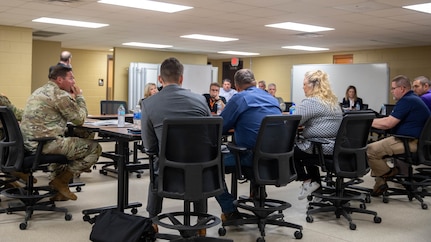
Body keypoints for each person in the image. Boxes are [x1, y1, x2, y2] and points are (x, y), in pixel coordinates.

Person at [140, 57, 211, 235]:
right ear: (181, 78)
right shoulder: (201, 101)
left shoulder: (148, 104)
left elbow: (149, 146)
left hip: (169, 174)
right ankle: (201, 222)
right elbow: (210, 136)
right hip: (200, 171)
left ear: (160, 79)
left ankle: (153, 220)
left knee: (156, 162)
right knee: (199, 163)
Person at [20, 65, 102, 201]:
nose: (74, 82)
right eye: (71, 78)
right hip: (46, 145)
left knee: (70, 139)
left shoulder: (38, 91)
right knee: (94, 148)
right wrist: (80, 97)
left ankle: (58, 191)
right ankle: (62, 181)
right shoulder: (59, 95)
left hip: (29, 144)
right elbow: (79, 119)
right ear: (59, 79)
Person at [215, 69, 281, 221]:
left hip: (250, 157)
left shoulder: (240, 98)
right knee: (253, 143)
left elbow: (220, 125)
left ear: (237, 87)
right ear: (254, 82)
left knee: (210, 166)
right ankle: (258, 191)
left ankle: (229, 210)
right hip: (276, 159)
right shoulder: (272, 98)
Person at [367, 75, 430, 197]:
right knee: (378, 151)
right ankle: (380, 183)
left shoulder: (407, 100)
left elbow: (388, 123)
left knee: (370, 150)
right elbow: (390, 120)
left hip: (409, 142)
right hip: (414, 141)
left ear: (402, 88)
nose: (391, 91)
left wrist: (366, 122)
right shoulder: (412, 99)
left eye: (393, 88)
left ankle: (389, 172)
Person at [294, 70, 343, 200]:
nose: (302, 87)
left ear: (313, 85)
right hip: (336, 147)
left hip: (322, 147)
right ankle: (317, 188)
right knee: (307, 147)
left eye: (304, 84)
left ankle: (306, 180)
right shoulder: (333, 102)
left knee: (290, 151)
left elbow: (291, 123)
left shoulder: (311, 102)